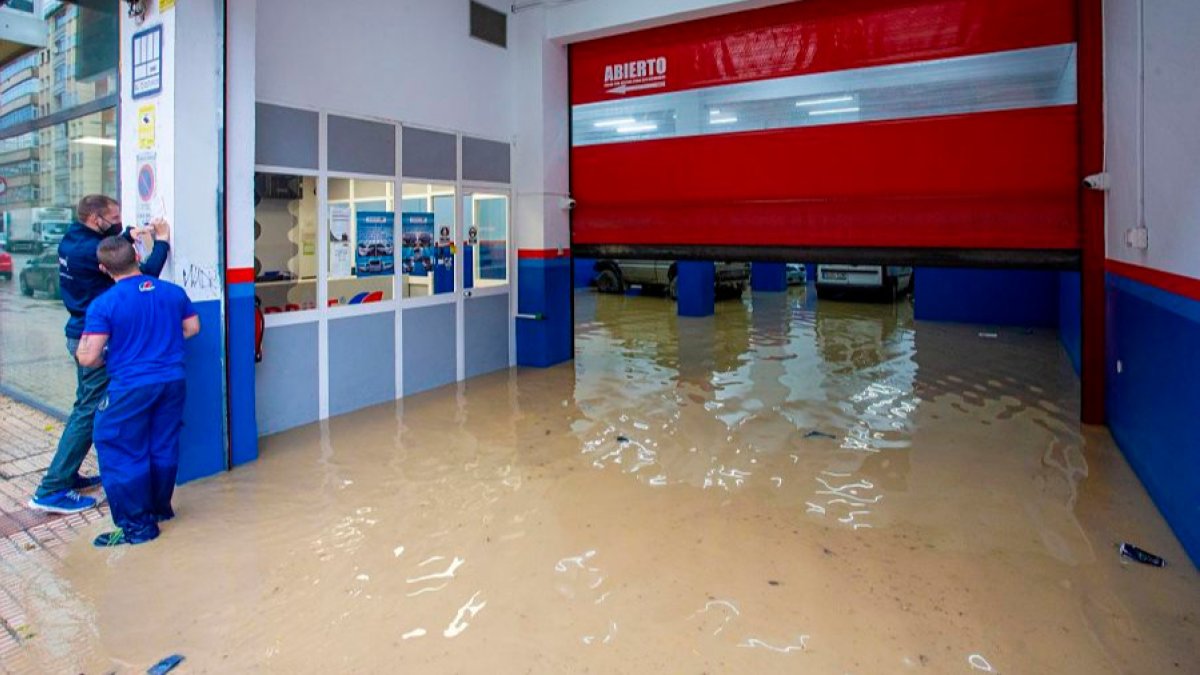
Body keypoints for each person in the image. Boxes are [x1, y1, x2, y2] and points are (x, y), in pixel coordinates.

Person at [28, 195, 171, 514]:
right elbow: (143, 279)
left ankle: (67, 474)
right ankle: (52, 488)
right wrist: (161, 242)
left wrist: (125, 236)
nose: (119, 220)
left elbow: (101, 247)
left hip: (78, 332)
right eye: (115, 216)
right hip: (95, 339)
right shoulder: (93, 253)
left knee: (85, 406)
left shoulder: (70, 239)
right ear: (96, 219)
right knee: (89, 410)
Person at [75, 237, 199, 546]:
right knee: (162, 445)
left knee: (119, 449)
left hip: (130, 387)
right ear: (136, 256)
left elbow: (89, 358)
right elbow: (192, 328)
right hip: (171, 382)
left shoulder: (105, 304)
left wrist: (99, 351)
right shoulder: (172, 292)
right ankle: (159, 510)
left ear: (104, 269)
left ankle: (138, 528)